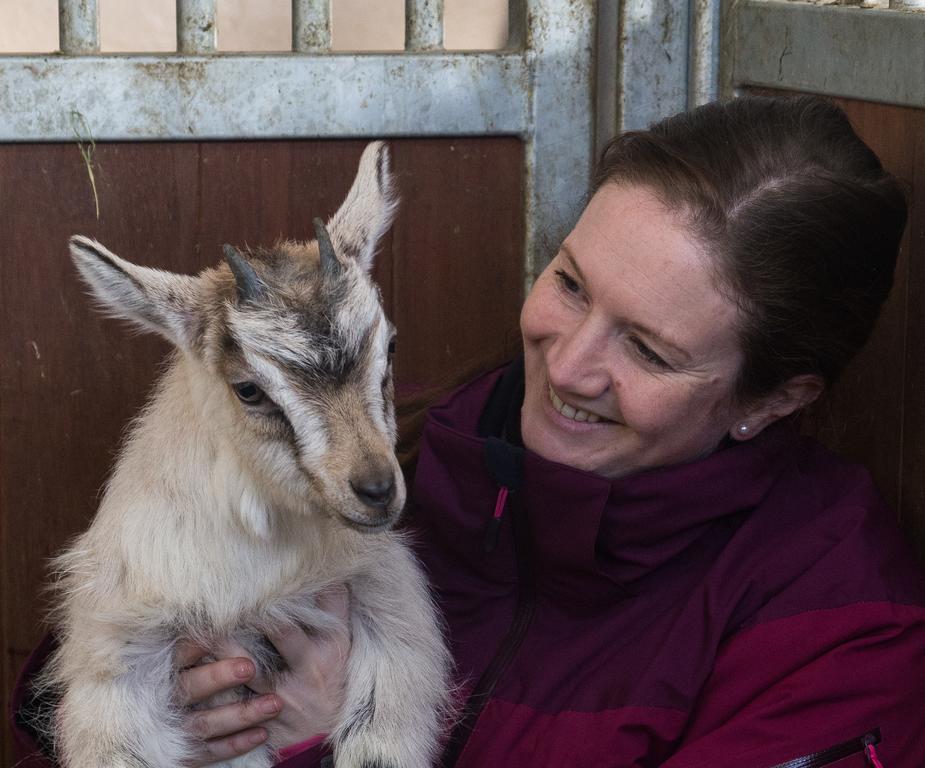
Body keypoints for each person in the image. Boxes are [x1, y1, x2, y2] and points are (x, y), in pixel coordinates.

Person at [12, 95, 925, 767]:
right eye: (570, 283)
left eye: (648, 349)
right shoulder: (406, 443)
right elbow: (71, 673)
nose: (566, 366)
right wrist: (147, 704)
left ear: (771, 400)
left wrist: (332, 739)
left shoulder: (839, 624)